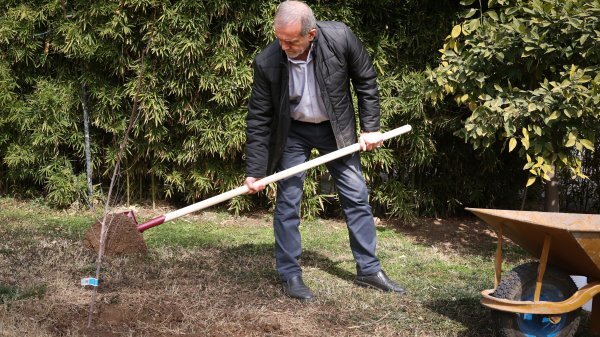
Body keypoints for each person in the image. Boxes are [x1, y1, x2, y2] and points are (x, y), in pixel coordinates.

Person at [244, 0, 405, 301]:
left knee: (356, 196)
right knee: (289, 201)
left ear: (311, 34)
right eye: (279, 39)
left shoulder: (341, 38)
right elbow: (259, 118)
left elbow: (366, 80)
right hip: (293, 132)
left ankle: (369, 270)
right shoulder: (267, 61)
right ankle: (290, 273)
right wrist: (255, 171)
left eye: (291, 41)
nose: (283, 46)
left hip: (336, 129)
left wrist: (370, 127)